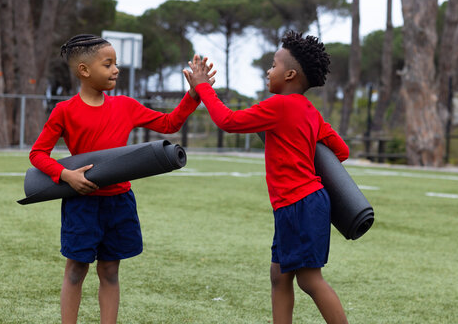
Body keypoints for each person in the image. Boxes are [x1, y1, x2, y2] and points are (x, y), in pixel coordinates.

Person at [29, 34, 210, 324]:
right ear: (84, 71)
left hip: (119, 203)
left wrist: (192, 95)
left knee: (110, 271)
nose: (116, 69)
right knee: (75, 270)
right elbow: (38, 154)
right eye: (108, 64)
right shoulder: (64, 110)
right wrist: (66, 175)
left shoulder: (126, 105)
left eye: (116, 63)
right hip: (81, 205)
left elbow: (169, 123)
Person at [183, 31, 350, 324]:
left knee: (309, 280)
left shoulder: (280, 105)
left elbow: (228, 121)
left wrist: (203, 88)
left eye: (273, 65)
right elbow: (342, 151)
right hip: (299, 204)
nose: (268, 70)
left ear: (289, 74)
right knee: (279, 276)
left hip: (299, 204)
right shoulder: (311, 111)